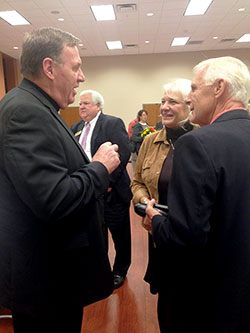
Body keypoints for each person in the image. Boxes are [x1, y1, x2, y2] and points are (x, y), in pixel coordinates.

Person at [0, 27, 121, 333]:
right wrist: (99, 167)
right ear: (49, 68)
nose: (81, 77)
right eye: (76, 66)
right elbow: (54, 199)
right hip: (45, 283)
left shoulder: (38, 106)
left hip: (52, 278)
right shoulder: (25, 112)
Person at [145, 56, 250, 332]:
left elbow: (186, 235)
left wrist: (155, 221)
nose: (188, 97)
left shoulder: (197, 143)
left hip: (207, 300)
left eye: (193, 88)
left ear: (219, 88)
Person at [130, 79, 196, 324]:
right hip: (159, 232)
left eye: (173, 102)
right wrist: (145, 202)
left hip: (192, 238)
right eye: (163, 101)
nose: (165, 107)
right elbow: (136, 182)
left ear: (190, 106)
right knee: (167, 302)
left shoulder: (203, 140)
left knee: (192, 303)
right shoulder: (150, 141)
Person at [71, 90, 132, 289]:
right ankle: (101, 270)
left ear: (98, 106)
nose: (81, 107)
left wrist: (105, 183)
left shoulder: (112, 123)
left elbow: (122, 154)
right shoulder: (76, 127)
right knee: (97, 233)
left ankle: (120, 270)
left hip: (111, 191)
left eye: (86, 103)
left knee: (119, 234)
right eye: (80, 104)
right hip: (89, 192)